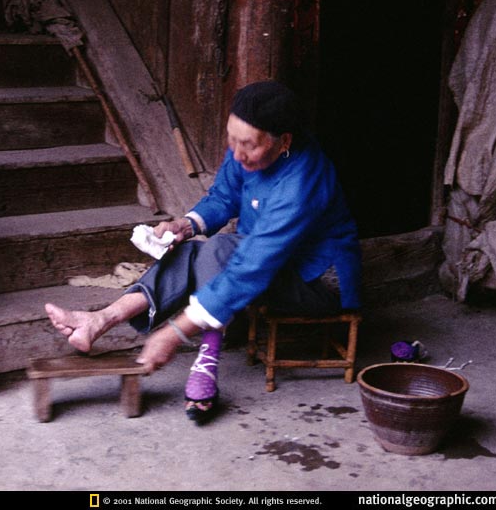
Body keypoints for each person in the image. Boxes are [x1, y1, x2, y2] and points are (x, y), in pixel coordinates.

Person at [45, 80, 362, 421]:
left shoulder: (302, 181)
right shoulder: (244, 150)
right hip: (267, 259)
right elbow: (224, 196)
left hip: (316, 280)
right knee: (188, 252)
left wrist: (174, 333)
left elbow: (252, 265)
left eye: (248, 145)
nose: (236, 154)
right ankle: (101, 319)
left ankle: (206, 361)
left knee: (221, 250)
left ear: (284, 141)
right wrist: (185, 225)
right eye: (231, 140)